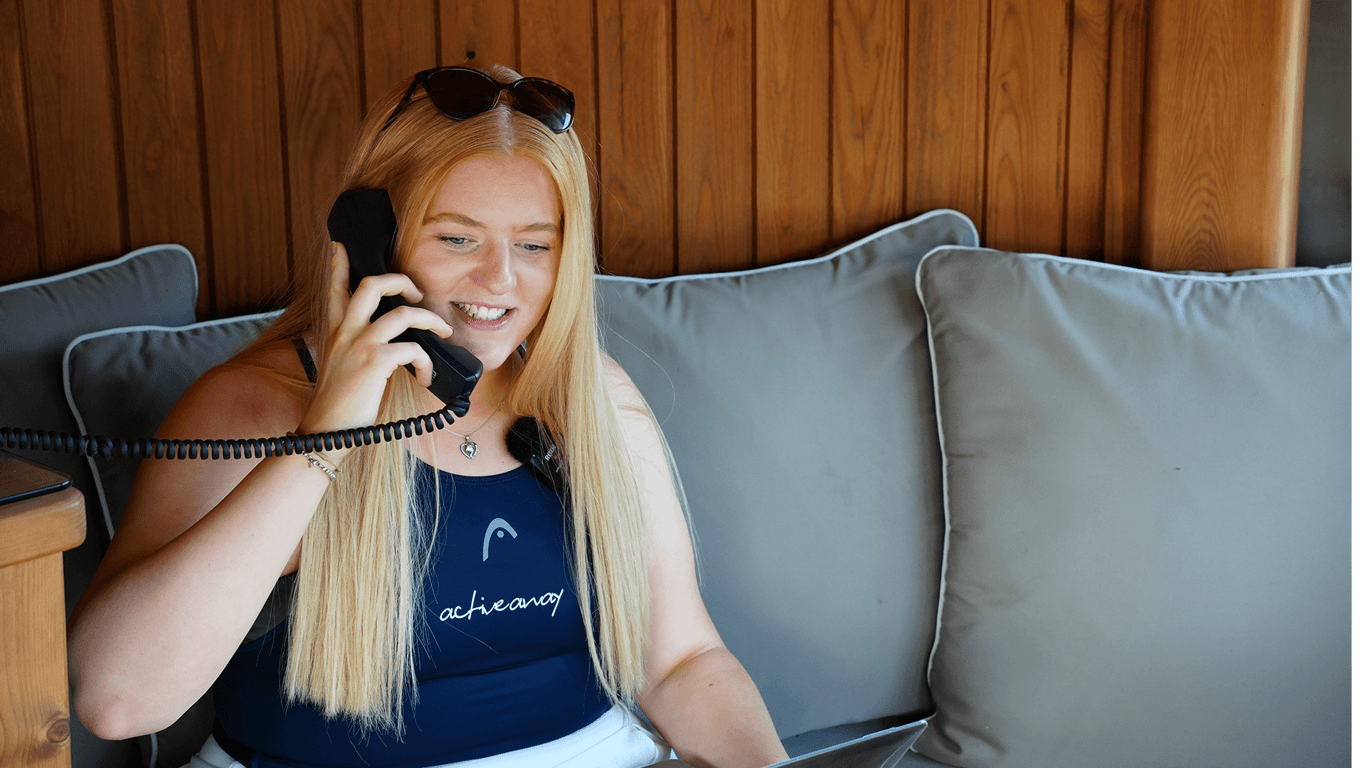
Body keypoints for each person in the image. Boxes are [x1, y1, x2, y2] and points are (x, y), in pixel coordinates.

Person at [67, 65, 789, 768]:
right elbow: (117, 701)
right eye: (458, 238)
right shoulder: (250, 408)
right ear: (369, 238)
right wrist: (331, 431)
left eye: (535, 244)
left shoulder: (590, 400)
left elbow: (682, 661)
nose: (500, 280)